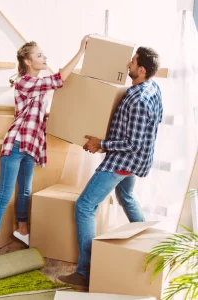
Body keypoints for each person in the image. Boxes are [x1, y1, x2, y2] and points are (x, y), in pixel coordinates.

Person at [58, 47, 163, 288]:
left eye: (133, 61)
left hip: (124, 161)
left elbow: (132, 144)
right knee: (125, 196)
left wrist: (101, 144)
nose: (128, 63)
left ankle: (85, 272)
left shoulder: (138, 99)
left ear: (142, 69)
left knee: (84, 205)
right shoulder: (152, 88)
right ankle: (147, 248)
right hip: (137, 161)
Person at [0, 35, 89, 245]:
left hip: (31, 147)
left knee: (25, 191)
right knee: (3, 196)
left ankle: (22, 230)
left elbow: (35, 109)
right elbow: (59, 79)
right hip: (16, 144)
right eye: (39, 55)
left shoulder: (36, 85)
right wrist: (81, 50)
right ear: (28, 61)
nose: (44, 57)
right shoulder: (25, 81)